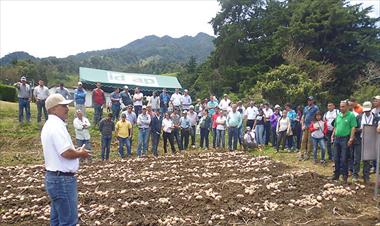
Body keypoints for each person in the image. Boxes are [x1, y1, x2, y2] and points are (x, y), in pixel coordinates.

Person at [41, 94, 90, 226]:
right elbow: (65, 152)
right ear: (53, 109)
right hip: (62, 181)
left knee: (56, 220)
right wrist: (81, 153)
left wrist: (76, 151)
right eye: (64, 106)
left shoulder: (49, 125)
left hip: (54, 178)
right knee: (68, 222)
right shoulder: (56, 126)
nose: (67, 109)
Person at [330, 100, 357, 183]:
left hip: (345, 138)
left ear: (347, 107)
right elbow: (335, 126)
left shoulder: (351, 115)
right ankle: (336, 174)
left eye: (343, 106)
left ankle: (344, 176)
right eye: (340, 106)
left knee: (344, 157)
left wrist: (351, 138)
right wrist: (332, 135)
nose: (341, 108)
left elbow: (353, 127)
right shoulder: (338, 115)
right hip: (337, 138)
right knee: (336, 157)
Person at [358, 101, 374, 183]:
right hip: (361, 138)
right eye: (365, 110)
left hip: (371, 139)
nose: (366, 112)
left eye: (368, 110)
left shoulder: (376, 117)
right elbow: (356, 128)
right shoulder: (360, 117)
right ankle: (356, 174)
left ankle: (366, 176)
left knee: (367, 158)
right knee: (358, 157)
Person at [300, 96, 319, 160]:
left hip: (311, 126)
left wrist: (314, 124)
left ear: (313, 101)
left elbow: (317, 116)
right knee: (303, 140)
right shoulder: (305, 108)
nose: (309, 101)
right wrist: (302, 125)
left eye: (310, 100)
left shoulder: (315, 108)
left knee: (309, 141)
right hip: (305, 126)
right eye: (308, 100)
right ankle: (302, 153)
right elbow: (303, 116)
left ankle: (308, 154)